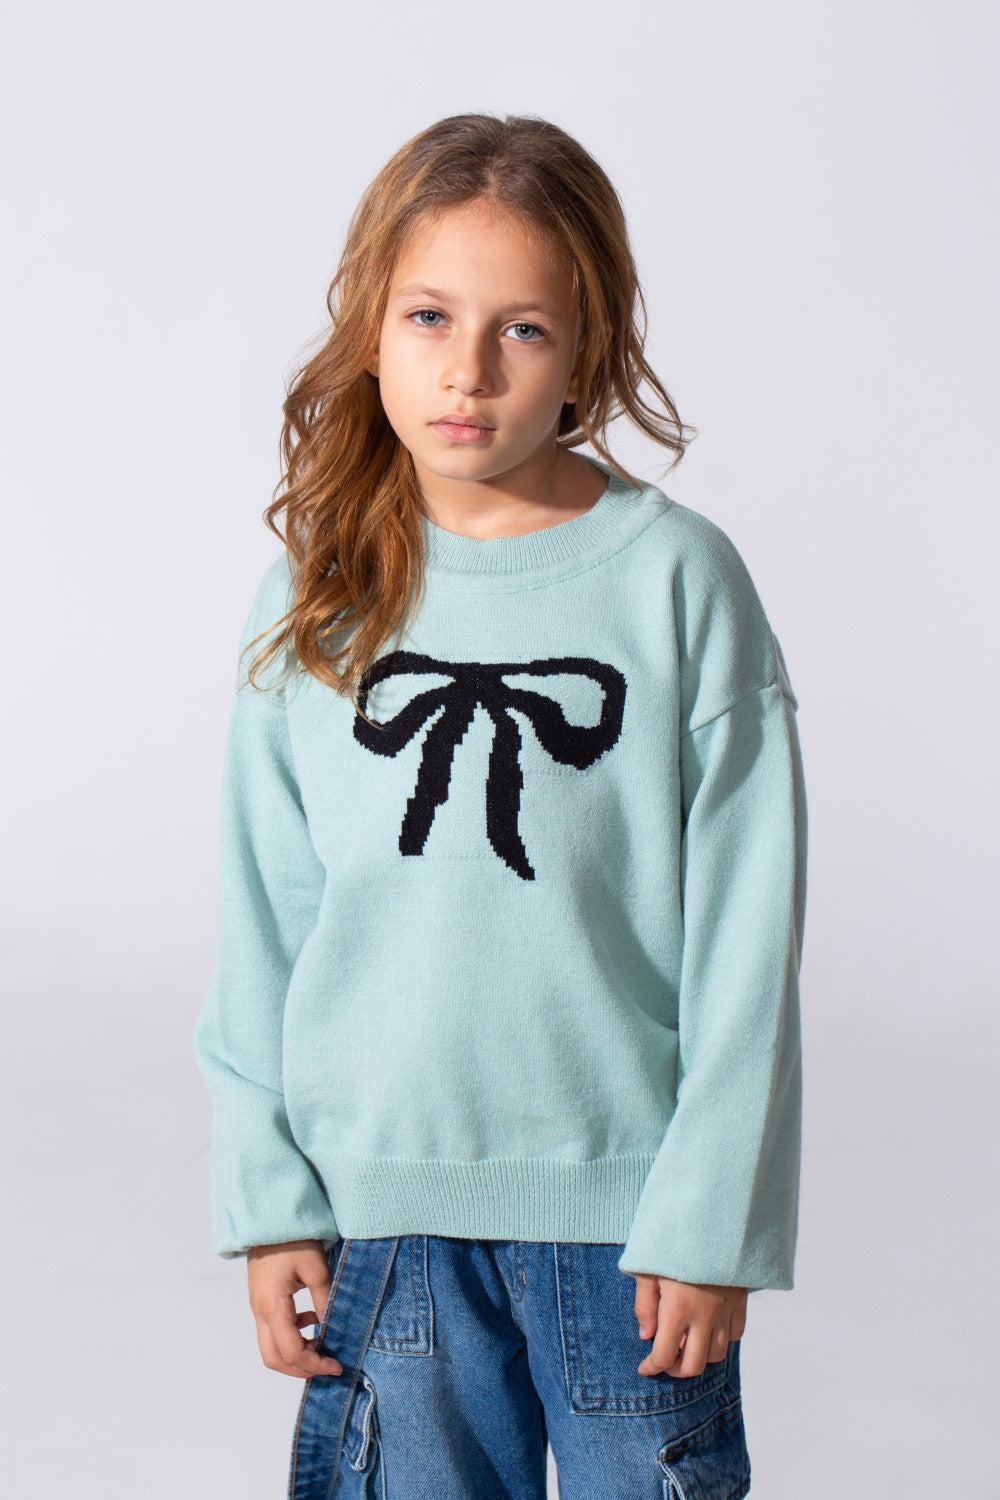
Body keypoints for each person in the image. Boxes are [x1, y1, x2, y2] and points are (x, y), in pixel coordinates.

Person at [193, 111, 807, 1500]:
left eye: (521, 329)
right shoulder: (315, 597)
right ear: (371, 325)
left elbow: (747, 932)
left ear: (589, 347)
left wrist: (713, 1213)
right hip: (381, 1224)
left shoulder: (679, 582)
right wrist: (269, 1195)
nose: (467, 372)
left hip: (632, 1233)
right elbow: (263, 920)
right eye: (429, 317)